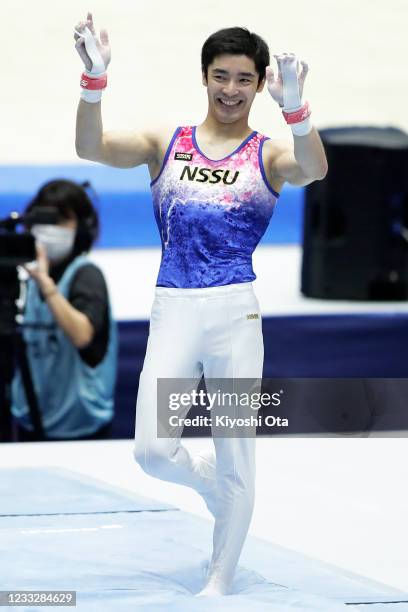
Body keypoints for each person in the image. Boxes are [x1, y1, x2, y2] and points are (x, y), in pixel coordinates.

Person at [74, 13, 327, 596]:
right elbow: (90, 148)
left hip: (235, 315)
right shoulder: (167, 143)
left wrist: (299, 111)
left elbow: (313, 169)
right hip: (175, 311)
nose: (231, 90)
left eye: (244, 79)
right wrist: (94, 81)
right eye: (221, 76)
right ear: (204, 77)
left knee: (237, 453)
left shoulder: (267, 155)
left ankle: (219, 578)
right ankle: (213, 485)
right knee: (152, 452)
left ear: (261, 83)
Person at [11, 179, 118, 441]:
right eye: (43, 218)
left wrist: (48, 287)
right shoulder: (27, 278)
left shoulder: (86, 275)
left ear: (81, 227)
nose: (49, 229)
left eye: (60, 220)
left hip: (80, 430)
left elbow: (82, 335)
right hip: (30, 421)